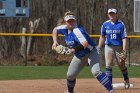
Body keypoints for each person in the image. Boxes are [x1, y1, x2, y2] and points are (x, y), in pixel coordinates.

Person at [52, 10, 115, 93]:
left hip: (92, 52)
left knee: (96, 71)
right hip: (79, 55)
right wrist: (55, 41)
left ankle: (111, 90)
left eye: (72, 20)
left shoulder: (77, 30)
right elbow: (55, 30)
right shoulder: (64, 28)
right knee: (70, 75)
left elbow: (85, 43)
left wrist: (72, 50)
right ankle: (70, 91)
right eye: (68, 21)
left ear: (75, 21)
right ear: (65, 22)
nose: (71, 22)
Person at [98, 8, 130, 89]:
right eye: (110, 13)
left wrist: (124, 49)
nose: (111, 15)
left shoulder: (120, 24)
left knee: (121, 65)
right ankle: (109, 85)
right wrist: (99, 46)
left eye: (113, 13)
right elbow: (102, 36)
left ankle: (126, 79)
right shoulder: (105, 24)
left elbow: (124, 37)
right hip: (108, 46)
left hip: (119, 47)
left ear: (116, 14)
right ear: (108, 15)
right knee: (108, 65)